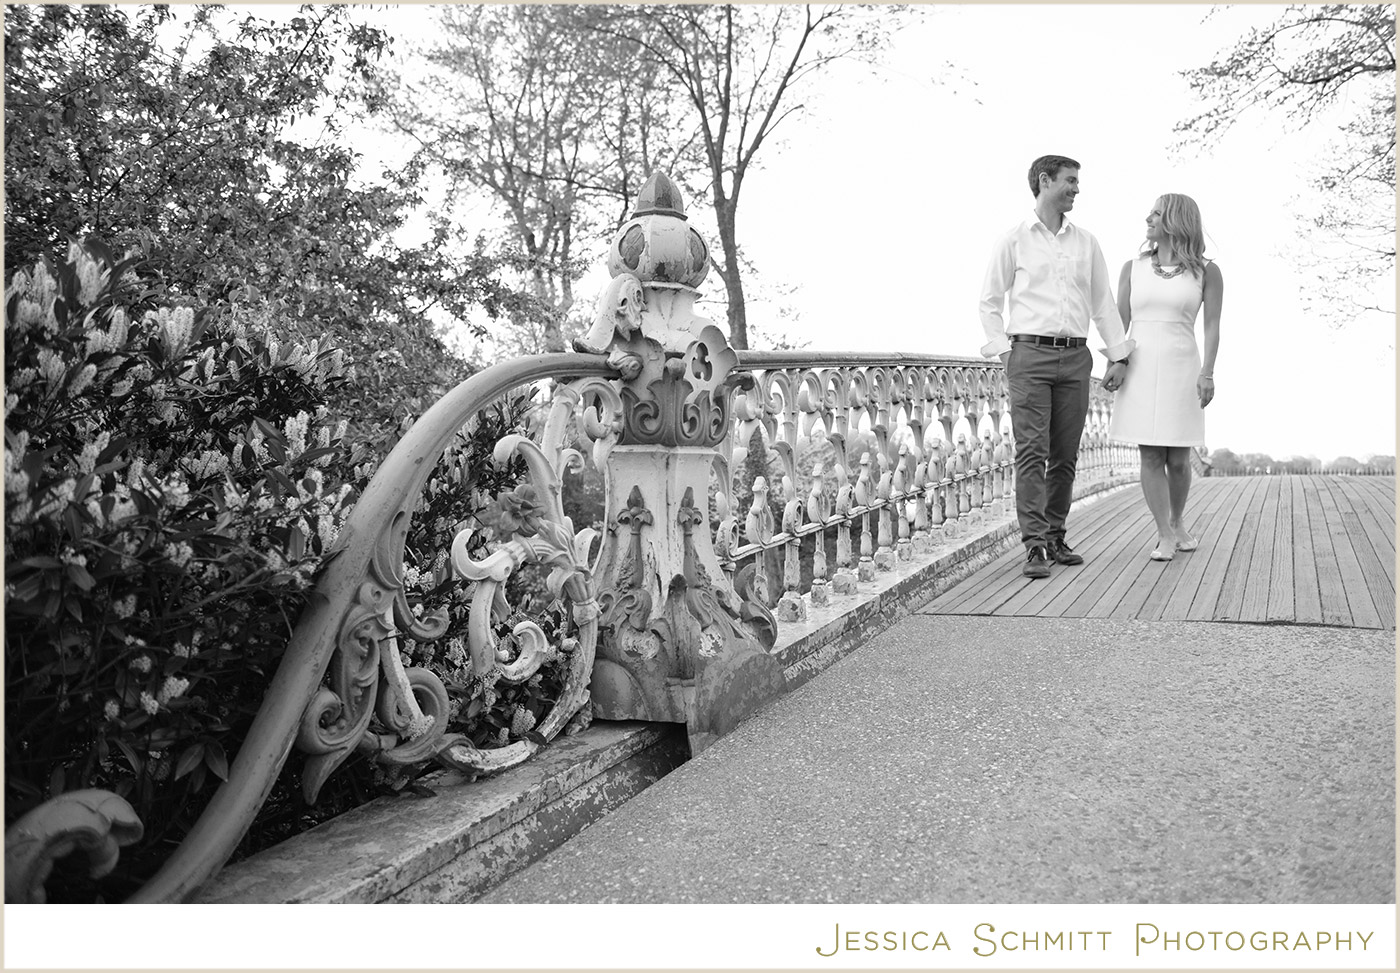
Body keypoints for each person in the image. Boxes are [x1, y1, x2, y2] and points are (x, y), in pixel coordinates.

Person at [979, 155, 1135, 579]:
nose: (1076, 189)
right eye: (1070, 181)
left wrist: (1119, 355)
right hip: (1028, 355)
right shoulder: (1013, 240)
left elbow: (1103, 303)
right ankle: (1033, 546)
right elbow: (989, 302)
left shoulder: (1086, 243)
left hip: (1077, 357)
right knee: (1033, 452)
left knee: (1065, 454)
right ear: (1044, 181)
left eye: (1077, 182)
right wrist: (1006, 352)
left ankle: (1054, 535)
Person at [1106, 193, 1223, 560]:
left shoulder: (1207, 271)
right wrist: (1116, 361)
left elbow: (1213, 326)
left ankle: (1177, 520)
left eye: (1156, 213)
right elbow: (1118, 324)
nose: (1148, 219)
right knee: (1151, 455)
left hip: (1182, 365)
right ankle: (1164, 534)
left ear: (1175, 221)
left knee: (1178, 458)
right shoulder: (1133, 268)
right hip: (1140, 367)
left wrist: (1208, 372)